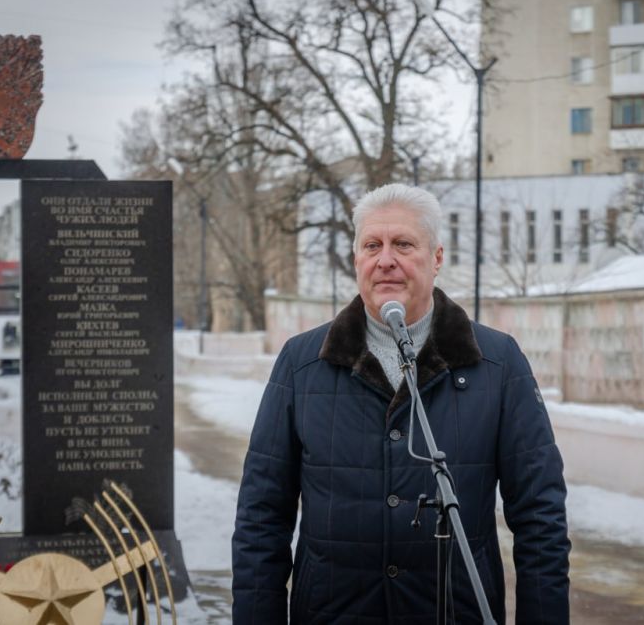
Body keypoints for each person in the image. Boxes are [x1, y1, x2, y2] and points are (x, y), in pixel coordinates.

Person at [232, 183, 570, 623]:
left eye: (403, 244)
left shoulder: (497, 363)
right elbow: (261, 517)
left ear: (436, 258)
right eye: (372, 245)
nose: (385, 259)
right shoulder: (302, 363)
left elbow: (541, 519)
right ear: (357, 259)